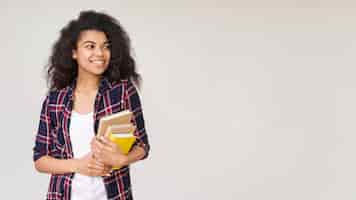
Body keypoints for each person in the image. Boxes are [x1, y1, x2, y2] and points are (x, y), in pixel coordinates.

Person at [33, 10, 150, 200]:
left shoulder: (122, 92)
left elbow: (143, 145)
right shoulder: (54, 100)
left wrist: (122, 159)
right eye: (90, 46)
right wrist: (78, 165)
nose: (100, 53)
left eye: (106, 46)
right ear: (73, 52)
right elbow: (40, 159)